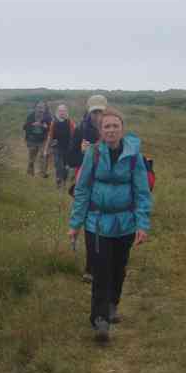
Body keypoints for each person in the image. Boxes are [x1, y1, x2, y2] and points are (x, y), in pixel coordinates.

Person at [68, 107, 152, 343]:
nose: (112, 130)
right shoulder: (93, 154)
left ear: (122, 129)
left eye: (115, 125)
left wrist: (142, 224)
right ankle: (100, 319)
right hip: (97, 224)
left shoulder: (134, 155)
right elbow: (82, 189)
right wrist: (75, 223)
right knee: (101, 271)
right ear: (101, 131)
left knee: (118, 268)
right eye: (107, 126)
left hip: (125, 223)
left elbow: (142, 192)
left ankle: (113, 304)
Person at [65, 94, 107, 282]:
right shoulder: (81, 130)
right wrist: (82, 153)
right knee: (89, 221)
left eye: (101, 111)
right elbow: (70, 159)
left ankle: (105, 262)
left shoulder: (112, 128)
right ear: (89, 112)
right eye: (94, 112)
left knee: (105, 223)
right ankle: (90, 268)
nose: (98, 116)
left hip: (107, 184)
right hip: (86, 183)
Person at [43, 103, 75, 189]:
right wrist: (46, 149)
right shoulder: (54, 122)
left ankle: (64, 182)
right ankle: (58, 181)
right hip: (57, 147)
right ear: (57, 112)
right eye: (60, 111)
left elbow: (74, 136)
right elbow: (50, 136)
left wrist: (75, 148)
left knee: (65, 167)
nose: (62, 112)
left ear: (66, 112)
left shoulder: (70, 122)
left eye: (63, 111)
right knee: (58, 165)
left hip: (67, 148)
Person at [23, 101, 52, 178]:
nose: (40, 109)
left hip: (43, 140)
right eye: (39, 107)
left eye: (42, 107)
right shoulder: (31, 116)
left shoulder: (48, 117)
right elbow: (25, 127)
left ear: (45, 108)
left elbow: (52, 128)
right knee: (32, 158)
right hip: (32, 139)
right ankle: (30, 172)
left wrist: (45, 126)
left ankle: (42, 173)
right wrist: (32, 125)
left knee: (43, 155)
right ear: (35, 108)